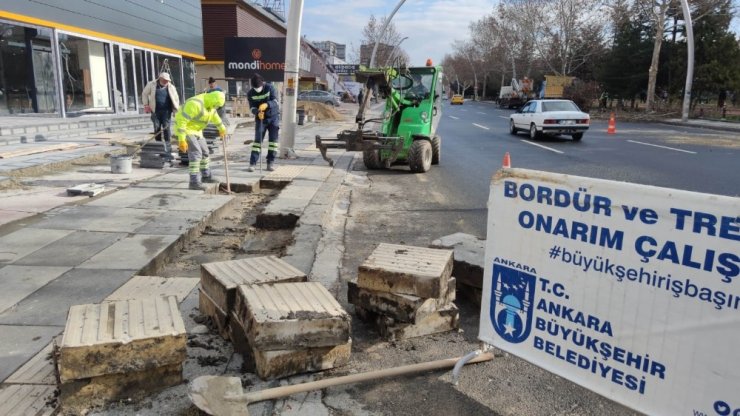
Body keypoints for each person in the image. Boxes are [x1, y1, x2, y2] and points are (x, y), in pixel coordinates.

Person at [174, 90, 227, 190]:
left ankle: (206, 176)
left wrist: (222, 129)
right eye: (216, 105)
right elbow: (182, 121)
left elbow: (216, 118)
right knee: (196, 153)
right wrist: (181, 139)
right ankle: (194, 182)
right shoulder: (195, 104)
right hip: (185, 130)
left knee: (205, 152)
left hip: (197, 131)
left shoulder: (210, 106)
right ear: (213, 101)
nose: (216, 108)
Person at [142, 72, 180, 161]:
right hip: (155, 111)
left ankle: (168, 149)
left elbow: (176, 98)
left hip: (167, 112)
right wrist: (146, 105)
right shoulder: (152, 84)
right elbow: (144, 93)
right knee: (157, 129)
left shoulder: (171, 87)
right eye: (165, 80)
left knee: (166, 129)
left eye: (167, 80)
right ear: (160, 79)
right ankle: (159, 147)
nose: (166, 82)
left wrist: (176, 109)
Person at [246, 73, 280, 172]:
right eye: (255, 88)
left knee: (273, 142)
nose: (257, 89)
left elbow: (276, 102)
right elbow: (252, 107)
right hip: (261, 119)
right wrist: (256, 112)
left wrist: (267, 104)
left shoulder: (270, 88)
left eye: (259, 87)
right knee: (257, 141)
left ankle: (270, 162)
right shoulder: (250, 93)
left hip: (273, 117)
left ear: (262, 83)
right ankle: (252, 163)